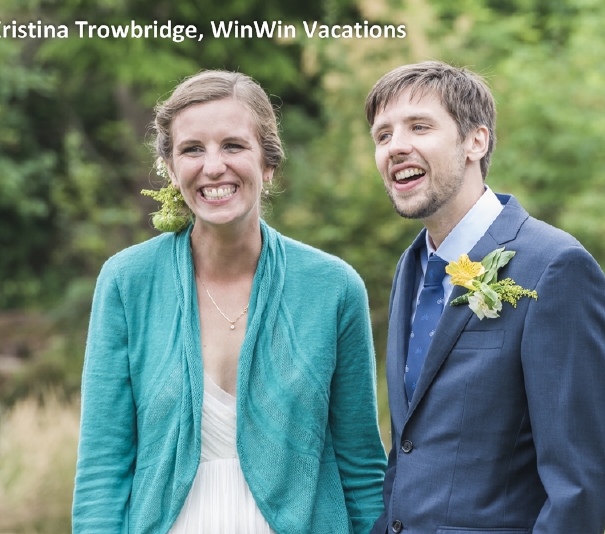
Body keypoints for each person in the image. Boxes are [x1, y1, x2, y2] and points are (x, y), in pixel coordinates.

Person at [72, 70, 386, 534]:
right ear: (170, 168)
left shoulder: (334, 288)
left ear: (268, 164)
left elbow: (361, 468)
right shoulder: (126, 282)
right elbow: (102, 469)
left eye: (233, 146)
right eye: (192, 149)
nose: (214, 166)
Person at [365, 61, 605, 533]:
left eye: (419, 127)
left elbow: (581, 486)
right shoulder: (412, 265)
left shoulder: (555, 266)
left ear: (475, 142)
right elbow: (411, 448)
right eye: (383, 135)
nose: (395, 146)